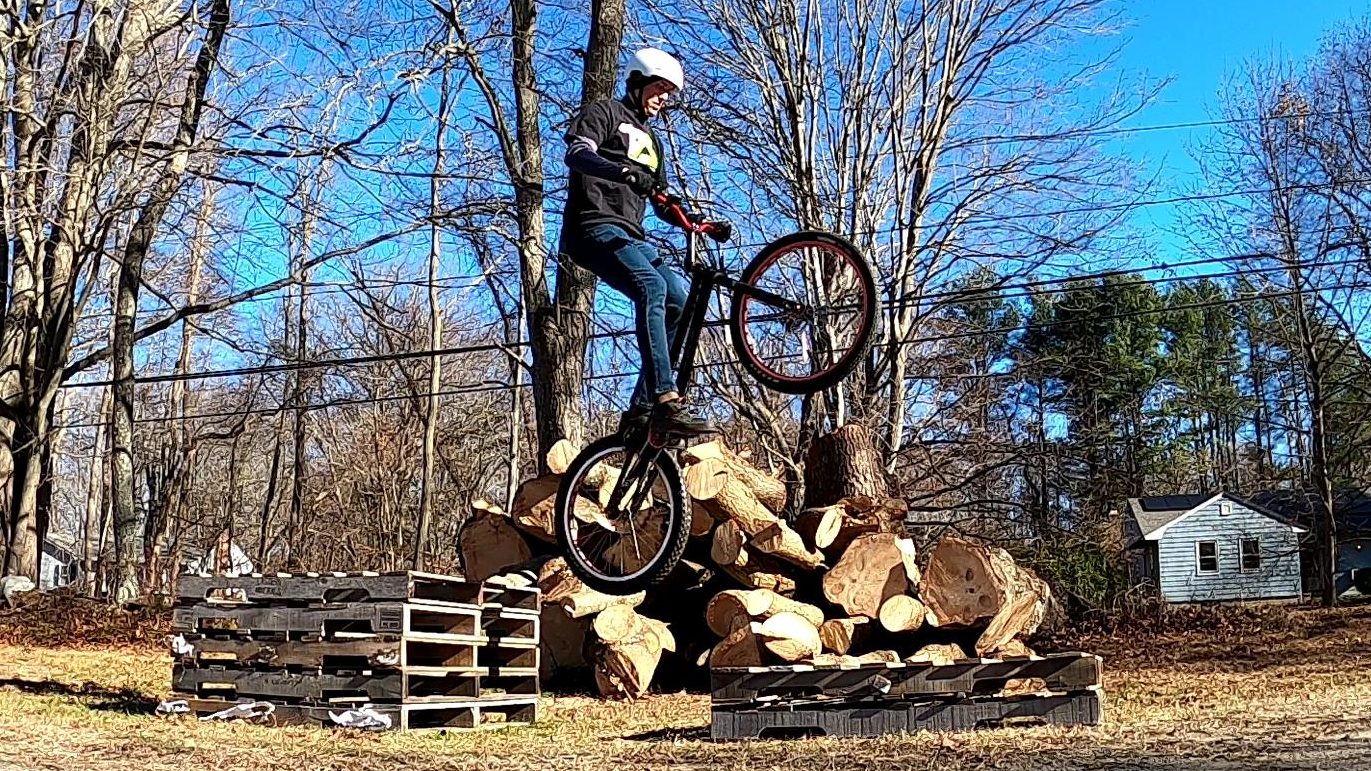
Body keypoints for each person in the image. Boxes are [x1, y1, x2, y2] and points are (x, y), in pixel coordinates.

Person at [558, 47, 730, 437]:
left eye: (669, 92)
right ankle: (666, 398)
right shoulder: (604, 112)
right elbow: (577, 154)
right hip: (593, 226)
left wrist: (696, 222)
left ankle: (640, 411)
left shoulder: (653, 141)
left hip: (632, 234)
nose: (664, 98)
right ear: (637, 83)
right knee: (649, 286)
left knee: (679, 304)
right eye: (659, 88)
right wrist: (621, 171)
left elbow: (660, 199)